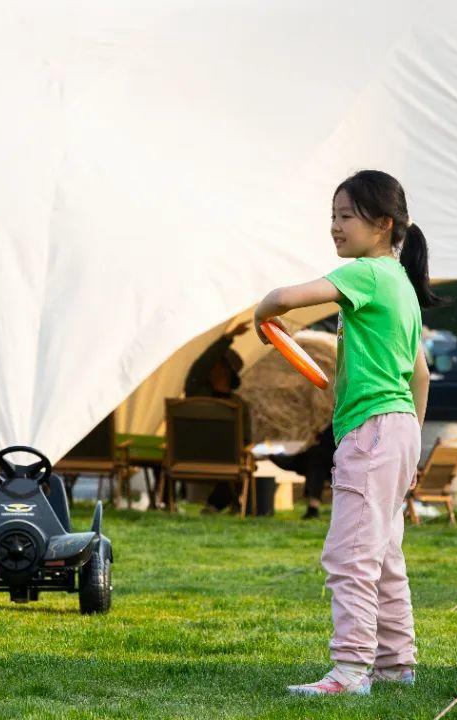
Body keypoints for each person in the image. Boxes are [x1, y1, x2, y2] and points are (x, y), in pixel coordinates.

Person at [253, 170, 438, 696]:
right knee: (384, 554)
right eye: (332, 216)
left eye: (346, 216)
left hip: (372, 430)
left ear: (383, 225)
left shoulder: (368, 274)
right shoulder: (400, 286)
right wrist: (410, 444)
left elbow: (286, 297)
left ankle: (351, 671)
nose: (335, 226)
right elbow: (421, 376)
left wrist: (262, 315)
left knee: (351, 553)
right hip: (398, 429)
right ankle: (396, 665)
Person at [183, 320, 253, 513]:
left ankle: (215, 505)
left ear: (225, 370)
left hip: (221, 459)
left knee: (238, 461)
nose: (210, 367)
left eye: (216, 364)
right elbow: (200, 366)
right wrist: (227, 338)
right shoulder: (198, 393)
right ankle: (222, 504)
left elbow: (246, 439)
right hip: (199, 455)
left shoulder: (240, 405)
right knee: (239, 464)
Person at [268, 423, 336, 520]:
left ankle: (313, 508)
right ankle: (313, 507)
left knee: (316, 460)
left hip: (336, 457)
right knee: (314, 458)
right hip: (327, 455)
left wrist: (321, 436)